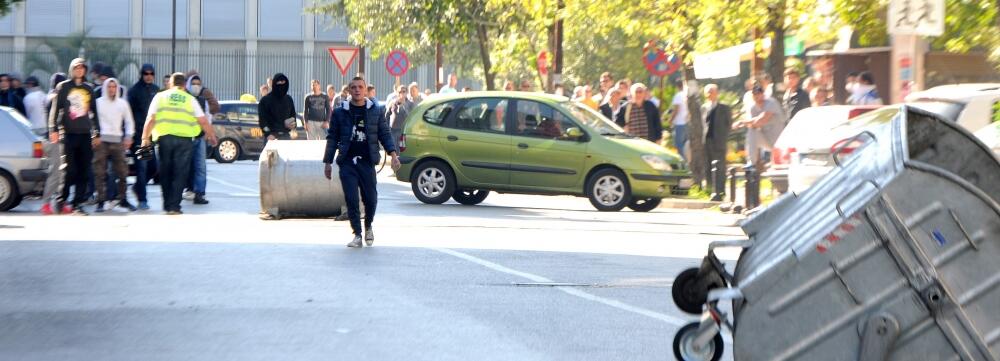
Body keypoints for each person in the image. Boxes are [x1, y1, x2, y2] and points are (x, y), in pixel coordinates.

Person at [323, 76, 400, 248]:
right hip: (347, 162)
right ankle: (357, 234)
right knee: (351, 198)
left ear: (365, 90)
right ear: (349, 91)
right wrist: (327, 162)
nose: (357, 90)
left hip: (367, 161)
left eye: (360, 87)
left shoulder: (375, 110)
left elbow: (384, 133)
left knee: (371, 199)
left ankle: (368, 226)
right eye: (353, 87)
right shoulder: (340, 111)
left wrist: (393, 154)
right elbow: (332, 137)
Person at [140, 72, 218, 215]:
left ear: (170, 83)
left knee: (165, 172)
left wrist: (145, 138)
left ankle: (167, 204)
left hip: (164, 139)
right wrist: (211, 135)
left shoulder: (160, 96)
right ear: (184, 85)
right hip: (184, 140)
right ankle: (175, 206)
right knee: (180, 173)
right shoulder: (190, 99)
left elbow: (151, 119)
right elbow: (202, 120)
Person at [49, 58, 99, 215]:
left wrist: (97, 133)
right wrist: (53, 129)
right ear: (72, 69)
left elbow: (95, 113)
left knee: (84, 171)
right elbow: (55, 110)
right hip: (68, 134)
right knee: (70, 170)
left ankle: (78, 204)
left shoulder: (88, 88)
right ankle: (61, 198)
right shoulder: (63, 87)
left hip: (85, 134)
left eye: (82, 67)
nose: (79, 70)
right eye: (76, 67)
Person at [93, 77, 137, 212]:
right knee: (100, 172)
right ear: (105, 88)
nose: (112, 89)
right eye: (109, 87)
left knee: (123, 172)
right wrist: (94, 136)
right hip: (102, 141)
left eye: (114, 87)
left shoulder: (122, 104)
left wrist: (128, 136)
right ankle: (101, 201)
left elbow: (129, 121)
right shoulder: (97, 103)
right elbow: (91, 120)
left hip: (118, 141)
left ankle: (123, 199)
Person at [184, 72, 220, 205]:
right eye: (193, 84)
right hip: (186, 138)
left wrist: (209, 134)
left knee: (200, 167)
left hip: (199, 138)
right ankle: (187, 189)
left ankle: (199, 193)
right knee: (185, 167)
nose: (196, 86)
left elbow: (207, 118)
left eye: (198, 84)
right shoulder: (185, 99)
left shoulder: (203, 100)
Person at [127, 63, 160, 210]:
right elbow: (129, 114)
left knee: (153, 168)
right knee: (141, 167)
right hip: (139, 136)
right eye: (146, 73)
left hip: (152, 137)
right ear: (141, 74)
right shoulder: (134, 91)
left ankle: (137, 187)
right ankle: (142, 199)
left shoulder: (156, 90)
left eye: (151, 73)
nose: (149, 76)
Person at [732, 85, 787, 170]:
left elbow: (763, 119)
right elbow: (752, 125)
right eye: (755, 94)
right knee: (752, 131)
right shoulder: (752, 108)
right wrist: (749, 123)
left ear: (763, 94)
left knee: (781, 166)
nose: (757, 96)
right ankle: (752, 163)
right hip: (766, 140)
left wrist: (742, 122)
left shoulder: (771, 102)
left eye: (759, 93)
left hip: (781, 142)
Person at [39, 73, 69, 215]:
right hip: (54, 139)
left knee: (62, 173)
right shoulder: (54, 98)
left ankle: (60, 203)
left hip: (55, 138)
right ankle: (46, 203)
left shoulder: (51, 96)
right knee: (56, 172)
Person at [702, 84, 731, 199]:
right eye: (708, 92)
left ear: (717, 93)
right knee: (708, 166)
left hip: (719, 141)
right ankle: (710, 190)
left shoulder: (724, 108)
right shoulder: (704, 108)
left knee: (720, 166)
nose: (710, 94)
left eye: (712, 91)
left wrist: (723, 138)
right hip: (707, 140)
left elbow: (728, 124)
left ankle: (721, 191)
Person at [258, 73, 296, 141]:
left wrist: (293, 124)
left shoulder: (289, 99)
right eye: (279, 82)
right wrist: (268, 134)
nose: (282, 85)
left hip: (285, 136)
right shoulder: (265, 100)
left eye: (284, 82)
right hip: (271, 136)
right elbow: (262, 122)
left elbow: (293, 116)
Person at [669, 78, 690, 159]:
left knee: (679, 144)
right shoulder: (687, 95)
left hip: (679, 123)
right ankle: (688, 162)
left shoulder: (678, 96)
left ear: (677, 86)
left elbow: (676, 110)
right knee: (686, 144)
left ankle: (683, 162)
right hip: (687, 122)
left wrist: (670, 120)